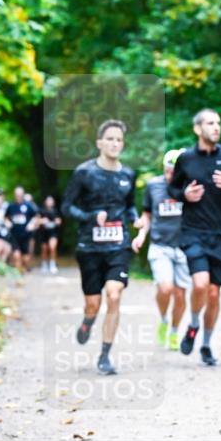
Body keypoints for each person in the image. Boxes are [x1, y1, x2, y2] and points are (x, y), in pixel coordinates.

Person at [63, 120, 138, 375]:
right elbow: (67, 207)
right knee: (93, 304)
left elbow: (129, 206)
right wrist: (90, 217)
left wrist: (135, 218)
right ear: (99, 143)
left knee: (114, 295)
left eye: (119, 140)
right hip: (90, 246)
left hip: (119, 245)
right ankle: (88, 320)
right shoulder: (84, 172)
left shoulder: (128, 175)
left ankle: (105, 355)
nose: (115, 143)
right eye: (110, 139)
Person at [167, 109, 221, 366]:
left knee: (213, 293)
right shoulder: (185, 159)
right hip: (193, 232)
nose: (216, 127)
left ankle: (206, 345)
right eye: (210, 123)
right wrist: (184, 194)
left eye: (219, 123)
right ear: (198, 129)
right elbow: (173, 188)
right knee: (200, 285)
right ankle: (194, 323)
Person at [133, 148, 191, 350]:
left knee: (181, 295)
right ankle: (164, 319)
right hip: (160, 246)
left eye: (175, 172)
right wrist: (141, 234)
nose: (170, 176)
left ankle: (174, 332)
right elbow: (147, 215)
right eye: (168, 171)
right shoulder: (153, 186)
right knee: (165, 289)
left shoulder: (189, 187)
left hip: (184, 248)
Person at [4, 186, 37, 273]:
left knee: (25, 258)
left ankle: (24, 267)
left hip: (25, 235)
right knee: (16, 256)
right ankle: (19, 277)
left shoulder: (28, 205)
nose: (18, 196)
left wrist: (31, 224)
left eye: (19, 194)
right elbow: (5, 217)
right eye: (16, 194)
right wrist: (7, 222)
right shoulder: (10, 206)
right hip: (14, 234)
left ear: (23, 195)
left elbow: (36, 216)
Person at [37, 195, 62, 274]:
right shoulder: (41, 211)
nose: (49, 202)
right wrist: (42, 220)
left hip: (53, 233)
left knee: (52, 247)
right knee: (44, 249)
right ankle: (44, 264)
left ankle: (52, 264)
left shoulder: (56, 211)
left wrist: (57, 222)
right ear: (45, 202)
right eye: (48, 201)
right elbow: (36, 221)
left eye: (51, 201)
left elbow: (59, 221)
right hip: (43, 233)